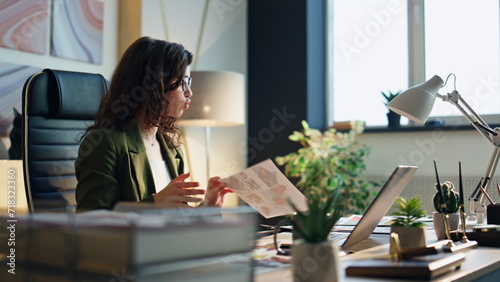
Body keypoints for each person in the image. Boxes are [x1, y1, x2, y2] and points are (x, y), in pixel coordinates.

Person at [75, 36, 231, 212]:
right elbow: (90, 220)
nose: (189, 92)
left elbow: (176, 219)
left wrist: (208, 206)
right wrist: (155, 204)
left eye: (189, 81)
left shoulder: (172, 150)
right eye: (181, 82)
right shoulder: (105, 143)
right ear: (153, 84)